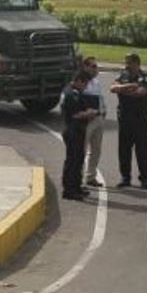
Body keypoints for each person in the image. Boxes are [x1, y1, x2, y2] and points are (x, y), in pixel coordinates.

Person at [110, 53, 147, 189]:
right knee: (124, 149)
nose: (126, 65)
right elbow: (112, 88)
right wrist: (129, 86)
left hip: (140, 119)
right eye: (126, 62)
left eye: (128, 63)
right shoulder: (123, 75)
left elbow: (140, 92)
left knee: (142, 150)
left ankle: (144, 178)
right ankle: (125, 177)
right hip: (124, 118)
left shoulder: (146, 77)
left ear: (136, 63)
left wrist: (122, 90)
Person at [61, 70, 97, 201]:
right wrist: (88, 114)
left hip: (78, 130)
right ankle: (69, 190)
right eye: (85, 83)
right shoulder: (71, 93)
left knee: (79, 160)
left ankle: (76, 186)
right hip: (72, 130)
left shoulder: (74, 91)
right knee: (72, 160)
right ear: (79, 81)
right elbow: (74, 114)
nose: (86, 86)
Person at [80, 57, 106, 188]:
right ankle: (77, 179)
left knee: (96, 150)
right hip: (87, 120)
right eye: (93, 66)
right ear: (86, 67)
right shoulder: (82, 83)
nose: (96, 69)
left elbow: (101, 98)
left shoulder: (96, 82)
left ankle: (90, 176)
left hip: (98, 118)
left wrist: (104, 111)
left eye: (97, 66)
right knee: (81, 150)